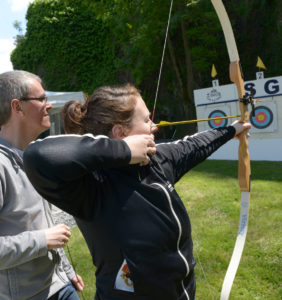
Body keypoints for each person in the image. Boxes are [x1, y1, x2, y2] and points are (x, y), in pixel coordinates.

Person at [23, 84, 251, 300]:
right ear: (120, 132)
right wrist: (123, 150)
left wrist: (232, 130)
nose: (154, 126)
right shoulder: (91, 185)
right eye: (146, 120)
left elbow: (194, 145)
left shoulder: (158, 159)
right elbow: (38, 156)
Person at [0, 70, 85, 300]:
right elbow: (45, 236)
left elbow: (43, 223)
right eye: (41, 99)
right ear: (17, 107)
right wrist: (42, 240)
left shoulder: (32, 157)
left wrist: (66, 271)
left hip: (60, 285)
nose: (48, 105)